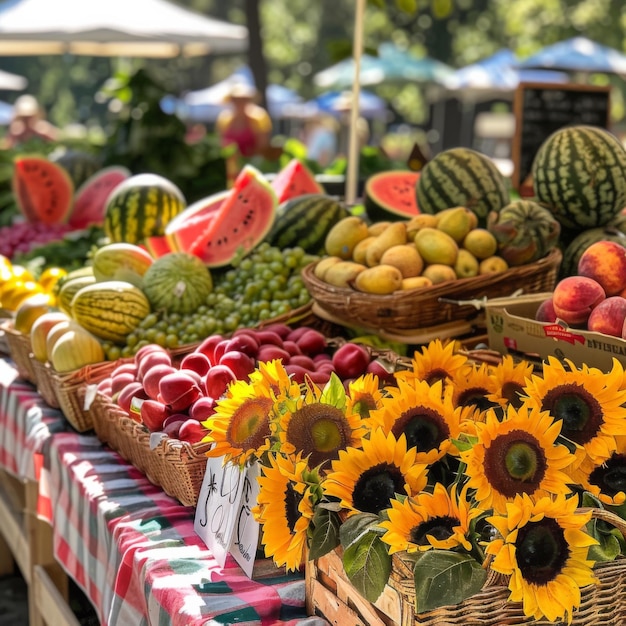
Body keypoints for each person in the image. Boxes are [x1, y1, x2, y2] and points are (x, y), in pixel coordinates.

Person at [215, 83, 272, 158]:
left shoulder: (259, 117)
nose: (239, 103)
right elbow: (220, 143)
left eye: (243, 100)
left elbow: (263, 146)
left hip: (253, 162)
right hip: (230, 164)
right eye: (236, 100)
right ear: (231, 101)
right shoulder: (224, 119)